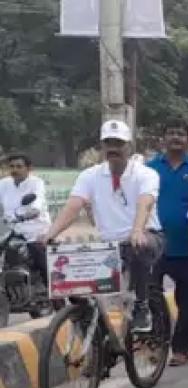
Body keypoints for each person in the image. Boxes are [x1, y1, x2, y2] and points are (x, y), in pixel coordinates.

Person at [42, 120, 164, 332]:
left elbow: (145, 202)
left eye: (119, 143)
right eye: (108, 143)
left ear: (129, 147)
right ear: (102, 147)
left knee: (140, 246)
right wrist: (50, 234)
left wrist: (137, 230)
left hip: (146, 237)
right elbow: (74, 205)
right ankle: (93, 333)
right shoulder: (90, 175)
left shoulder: (146, 174)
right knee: (74, 272)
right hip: (110, 246)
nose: (113, 148)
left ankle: (141, 305)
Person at [147, 119, 188, 367]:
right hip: (154, 248)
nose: (175, 137)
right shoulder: (149, 169)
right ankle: (157, 343)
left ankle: (181, 349)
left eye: (180, 134)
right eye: (170, 133)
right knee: (151, 299)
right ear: (163, 138)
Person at [0, 153, 51, 276]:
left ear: (29, 168)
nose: (15, 170)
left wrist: (25, 215)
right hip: (11, 231)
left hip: (35, 231)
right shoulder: (4, 184)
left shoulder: (36, 183)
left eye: (19, 166)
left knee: (42, 261)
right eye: (12, 166)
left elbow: (36, 205)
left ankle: (55, 291)